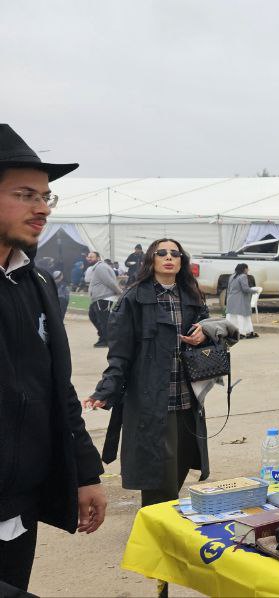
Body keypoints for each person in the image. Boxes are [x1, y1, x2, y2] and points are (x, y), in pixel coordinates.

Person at [0, 124, 107, 594]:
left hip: (18, 506)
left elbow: (56, 385)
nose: (43, 208)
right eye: (26, 195)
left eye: (46, 197)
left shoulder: (36, 282)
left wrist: (85, 471)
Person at [86, 238, 213, 509]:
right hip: (151, 401)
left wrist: (206, 331)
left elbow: (215, 331)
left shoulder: (191, 296)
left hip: (186, 399)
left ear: (182, 260)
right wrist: (106, 389)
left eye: (175, 253)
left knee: (179, 466)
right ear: (151, 260)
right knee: (158, 474)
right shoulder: (134, 298)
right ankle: (156, 522)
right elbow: (120, 353)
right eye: (161, 253)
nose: (169, 257)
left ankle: (162, 517)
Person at [85, 250, 122, 347]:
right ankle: (104, 336)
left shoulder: (100, 267)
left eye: (91, 257)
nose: (89, 258)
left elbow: (109, 281)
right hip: (99, 298)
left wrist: (120, 292)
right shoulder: (97, 267)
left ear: (98, 258)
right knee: (93, 316)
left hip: (103, 297)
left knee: (103, 320)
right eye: (88, 257)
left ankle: (106, 340)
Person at [225, 263, 258, 339]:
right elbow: (245, 289)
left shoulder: (232, 276)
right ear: (244, 269)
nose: (248, 270)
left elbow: (229, 288)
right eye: (247, 268)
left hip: (231, 299)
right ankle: (243, 333)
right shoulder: (243, 276)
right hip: (240, 300)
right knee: (243, 316)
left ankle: (232, 333)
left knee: (232, 317)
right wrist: (254, 291)